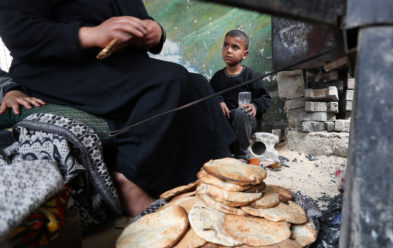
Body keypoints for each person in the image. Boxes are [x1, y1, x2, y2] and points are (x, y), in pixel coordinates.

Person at [0, 0, 235, 216]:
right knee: (170, 83)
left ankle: (216, 179)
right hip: (56, 69)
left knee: (197, 83)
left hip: (118, 65)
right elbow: (19, 31)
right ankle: (129, 179)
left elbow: (145, 24)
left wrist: (156, 32)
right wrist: (91, 35)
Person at [210, 30, 271, 161]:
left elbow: (266, 98)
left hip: (247, 121)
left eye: (235, 47)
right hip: (226, 121)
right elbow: (210, 95)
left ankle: (241, 154)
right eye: (225, 45)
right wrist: (219, 101)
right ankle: (220, 151)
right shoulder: (217, 78)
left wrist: (255, 105)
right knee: (211, 111)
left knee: (240, 113)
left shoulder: (251, 76)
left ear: (245, 54)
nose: (229, 50)